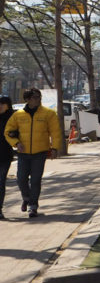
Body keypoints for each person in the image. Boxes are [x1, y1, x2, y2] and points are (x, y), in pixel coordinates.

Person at [4, 88, 62, 218]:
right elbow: (8, 132)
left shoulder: (49, 113)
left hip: (40, 152)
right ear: (28, 99)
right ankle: (26, 198)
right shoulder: (17, 115)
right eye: (35, 97)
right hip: (23, 154)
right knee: (21, 179)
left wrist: (54, 148)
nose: (38, 99)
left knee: (36, 180)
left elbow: (55, 132)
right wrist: (16, 143)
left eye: (39, 97)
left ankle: (33, 206)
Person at [0, 97, 14, 219]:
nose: (0, 106)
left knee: (1, 181)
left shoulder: (13, 118)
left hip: (5, 155)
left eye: (2, 104)